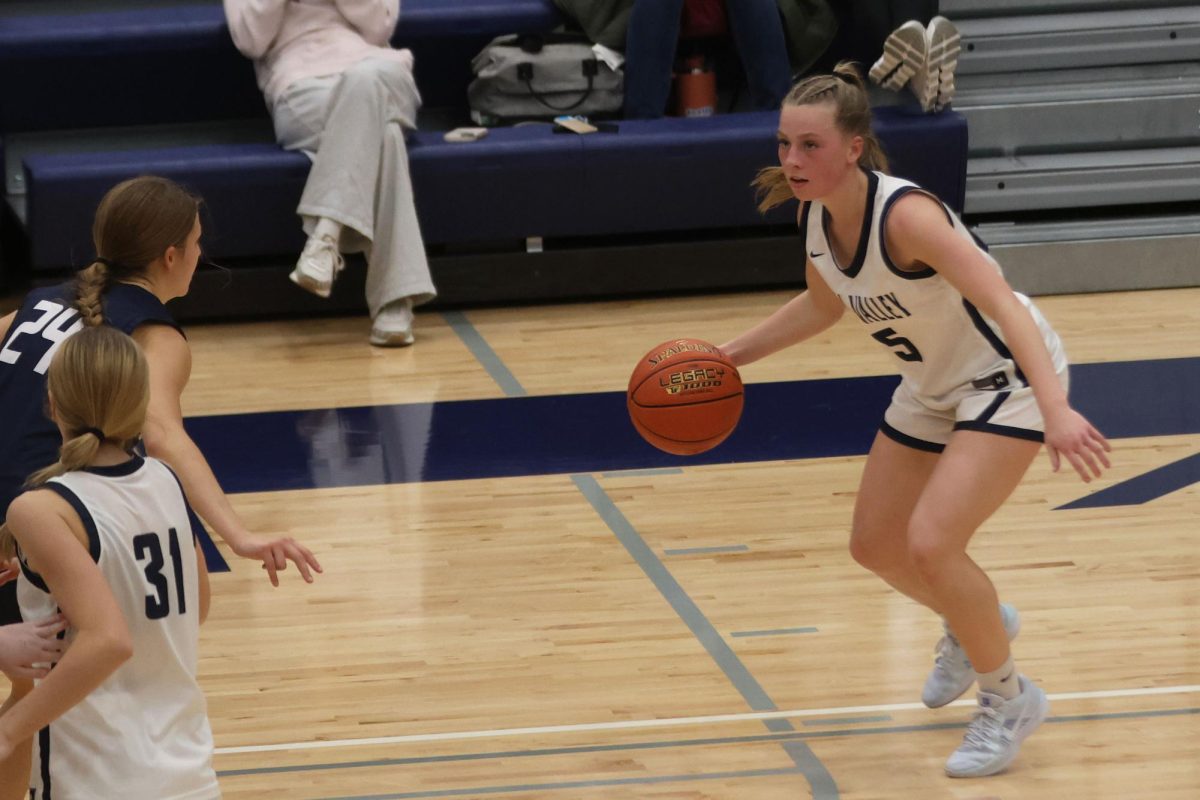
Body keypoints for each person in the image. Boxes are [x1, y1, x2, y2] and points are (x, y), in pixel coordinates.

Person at [717, 63, 1111, 778]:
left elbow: (1003, 301)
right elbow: (822, 305)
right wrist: (729, 357)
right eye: (783, 145)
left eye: (809, 146)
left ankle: (1009, 699)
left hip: (1008, 379)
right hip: (932, 384)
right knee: (875, 545)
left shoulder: (907, 218)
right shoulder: (816, 217)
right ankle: (972, 626)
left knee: (932, 541)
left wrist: (1055, 407)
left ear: (853, 148)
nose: (792, 161)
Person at [0, 175, 321, 787]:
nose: (203, 255)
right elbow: (166, 437)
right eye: (198, 242)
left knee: (28, 687)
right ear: (171, 255)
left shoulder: (39, 302)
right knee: (46, 692)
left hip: (20, 520)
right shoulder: (155, 335)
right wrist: (240, 535)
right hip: (43, 526)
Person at [0, 326, 219, 798]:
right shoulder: (167, 480)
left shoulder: (40, 509)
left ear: (53, 402)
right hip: (187, 771)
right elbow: (194, 606)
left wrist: (9, 730)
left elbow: (109, 640)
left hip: (91, 776)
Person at [224, 0, 437, 346]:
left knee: (366, 80)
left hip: (378, 71)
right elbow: (250, 40)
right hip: (303, 87)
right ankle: (394, 302)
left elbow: (379, 26)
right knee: (385, 134)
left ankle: (325, 236)